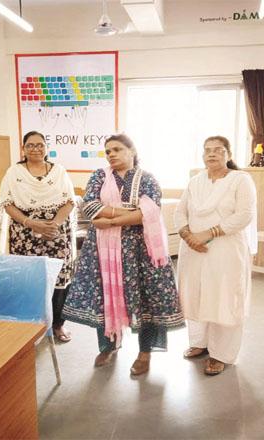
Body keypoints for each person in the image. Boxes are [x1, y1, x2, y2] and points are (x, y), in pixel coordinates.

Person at [63, 134, 184, 375]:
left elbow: (148, 212)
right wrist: (125, 212)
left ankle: (145, 352)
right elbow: (89, 205)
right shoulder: (100, 175)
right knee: (105, 295)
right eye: (108, 151)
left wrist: (112, 220)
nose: (111, 155)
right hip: (103, 250)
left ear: (132, 151)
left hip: (141, 251)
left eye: (117, 149)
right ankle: (109, 344)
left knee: (146, 300)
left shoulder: (147, 178)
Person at [175, 136, 257, 375]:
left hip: (225, 249)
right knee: (196, 294)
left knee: (223, 297)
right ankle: (199, 342)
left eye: (218, 150)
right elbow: (181, 212)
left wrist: (208, 234)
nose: (211, 154)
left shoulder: (241, 180)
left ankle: (221, 354)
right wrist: (189, 236)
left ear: (228, 155)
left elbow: (244, 215)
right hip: (193, 250)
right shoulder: (195, 181)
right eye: (207, 150)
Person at [0, 131, 76, 342]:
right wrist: (31, 223)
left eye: (40, 145)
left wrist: (54, 224)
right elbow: (7, 203)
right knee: (29, 279)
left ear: (47, 148)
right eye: (30, 145)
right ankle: (31, 325)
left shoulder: (59, 171)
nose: (36, 149)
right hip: (24, 233)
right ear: (23, 148)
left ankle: (58, 325)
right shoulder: (14, 173)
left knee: (60, 280)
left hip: (56, 232)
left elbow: (69, 201)